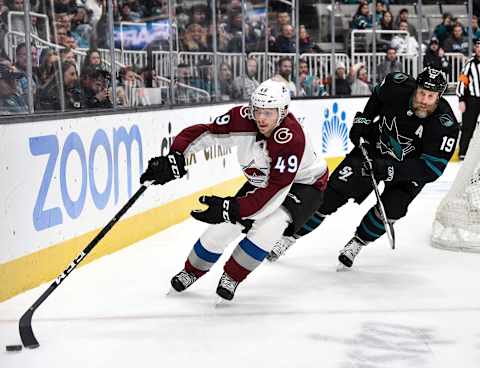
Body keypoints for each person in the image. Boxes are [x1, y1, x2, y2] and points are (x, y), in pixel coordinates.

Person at [139, 80, 329, 300]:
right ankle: (191, 270)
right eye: (257, 111)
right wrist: (175, 156)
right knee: (221, 229)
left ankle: (233, 276)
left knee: (269, 228)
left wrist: (232, 208)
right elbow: (206, 134)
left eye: (268, 113)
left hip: (305, 185)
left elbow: (274, 193)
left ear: (283, 111)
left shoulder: (291, 139)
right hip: (266, 181)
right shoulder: (242, 118)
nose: (261, 118)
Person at [267, 67, 459, 268]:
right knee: (328, 196)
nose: (424, 100)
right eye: (421, 92)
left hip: (407, 170)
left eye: (431, 96)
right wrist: (363, 121)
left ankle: (358, 242)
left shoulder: (445, 124)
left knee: (393, 209)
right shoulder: (397, 84)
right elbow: (377, 98)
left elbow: (431, 169)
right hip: (372, 151)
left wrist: (390, 170)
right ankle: (289, 237)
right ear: (416, 88)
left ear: (439, 96)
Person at [456, 38, 480, 159]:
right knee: (467, 127)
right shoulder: (469, 64)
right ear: (475, 48)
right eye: (478, 46)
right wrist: (461, 99)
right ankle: (463, 152)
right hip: (472, 100)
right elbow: (462, 82)